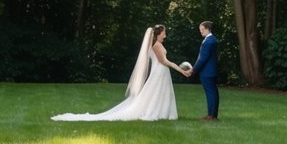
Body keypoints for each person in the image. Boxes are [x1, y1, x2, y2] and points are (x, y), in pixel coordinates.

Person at [52, 24, 188, 122]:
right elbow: (164, 61)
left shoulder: (158, 44)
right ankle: (156, 112)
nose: (165, 34)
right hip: (159, 72)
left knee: (160, 93)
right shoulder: (157, 46)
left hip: (162, 73)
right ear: (158, 34)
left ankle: (162, 112)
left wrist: (180, 69)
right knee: (155, 93)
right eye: (164, 32)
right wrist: (181, 70)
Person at [187, 20, 219, 120]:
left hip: (207, 72)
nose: (200, 31)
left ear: (207, 29)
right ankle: (212, 114)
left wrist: (193, 70)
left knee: (211, 93)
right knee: (213, 93)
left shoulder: (209, 41)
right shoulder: (211, 39)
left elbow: (202, 58)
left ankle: (211, 116)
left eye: (202, 29)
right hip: (210, 71)